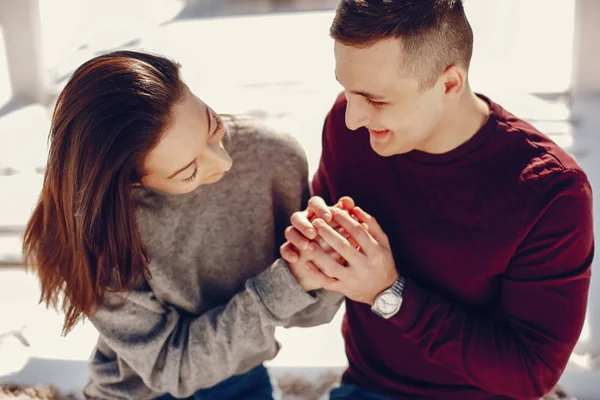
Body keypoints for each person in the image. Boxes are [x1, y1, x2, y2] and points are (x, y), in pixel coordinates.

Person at [280, 1, 594, 399]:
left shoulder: (550, 192)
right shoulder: (351, 126)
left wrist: (388, 292)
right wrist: (319, 246)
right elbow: (324, 254)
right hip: (367, 386)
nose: (351, 118)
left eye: (376, 101)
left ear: (449, 84)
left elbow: (532, 373)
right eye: (346, 89)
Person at [22, 50, 344, 400]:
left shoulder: (272, 156)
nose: (224, 162)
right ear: (132, 182)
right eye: (189, 171)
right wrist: (286, 283)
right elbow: (169, 368)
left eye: (213, 127)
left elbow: (310, 313)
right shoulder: (93, 227)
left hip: (241, 377)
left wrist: (324, 264)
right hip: (137, 390)